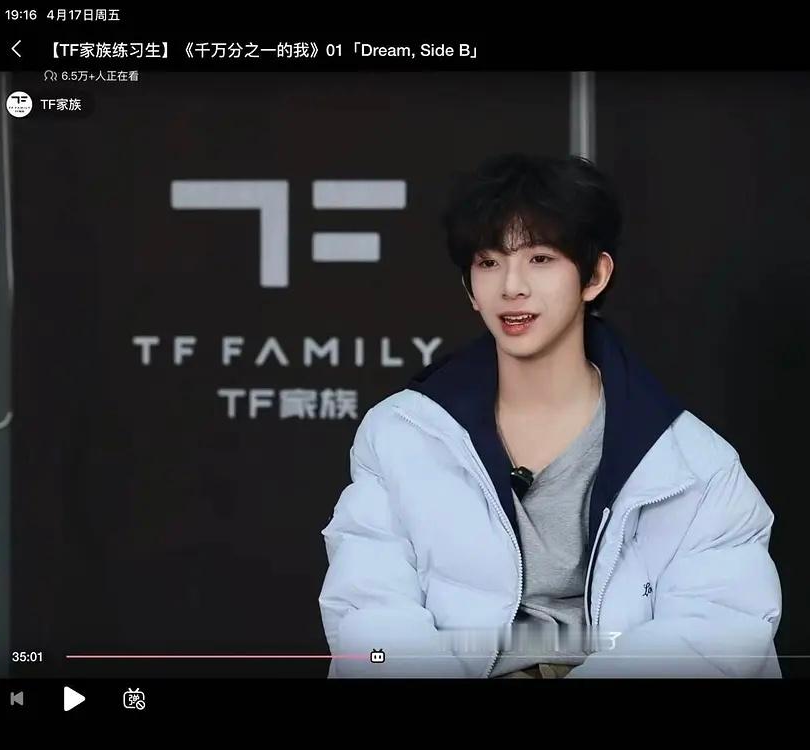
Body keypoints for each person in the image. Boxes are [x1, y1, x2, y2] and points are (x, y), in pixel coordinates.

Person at [319, 153, 782, 678]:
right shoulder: (402, 434)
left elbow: (715, 631)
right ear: (470, 288)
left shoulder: (693, 463)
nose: (511, 286)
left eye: (540, 258)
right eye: (489, 262)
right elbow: (370, 612)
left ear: (595, 275)